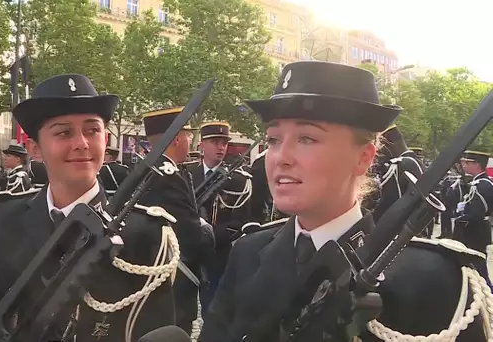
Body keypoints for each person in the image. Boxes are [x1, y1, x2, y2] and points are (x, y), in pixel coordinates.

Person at [199, 61, 491, 342]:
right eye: (274, 139)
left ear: (364, 157)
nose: (281, 158)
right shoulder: (249, 252)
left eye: (307, 139)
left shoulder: (433, 278)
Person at [0, 74, 182, 342]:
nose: (81, 143)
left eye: (92, 130)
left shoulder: (146, 234)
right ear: (35, 149)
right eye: (64, 132)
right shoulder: (7, 220)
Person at [138, 106, 215, 335]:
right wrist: (206, 231)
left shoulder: (147, 169)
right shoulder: (168, 177)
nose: (190, 140)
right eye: (188, 135)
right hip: (174, 282)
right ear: (177, 139)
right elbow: (189, 235)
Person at [188, 121, 252, 316]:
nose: (221, 147)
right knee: (183, 311)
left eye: (224, 143)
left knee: (213, 311)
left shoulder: (239, 180)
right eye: (215, 142)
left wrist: (210, 237)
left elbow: (239, 222)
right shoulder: (187, 175)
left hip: (218, 254)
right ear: (202, 145)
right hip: (187, 253)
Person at [454, 150, 493, 254]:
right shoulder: (477, 183)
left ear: (477, 164)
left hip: (475, 232)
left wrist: (459, 220)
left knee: (476, 265)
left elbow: (476, 213)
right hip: (473, 231)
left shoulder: (483, 185)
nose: (464, 165)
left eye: (468, 163)